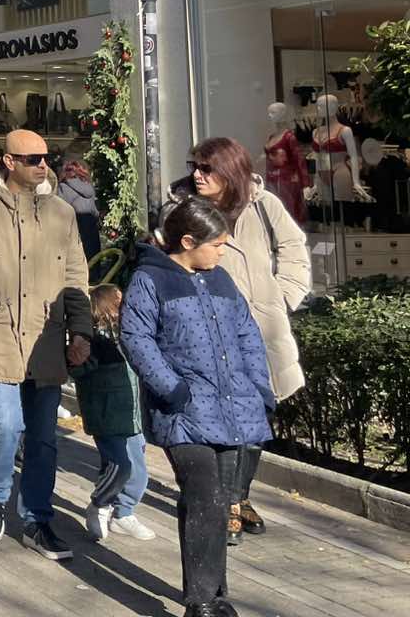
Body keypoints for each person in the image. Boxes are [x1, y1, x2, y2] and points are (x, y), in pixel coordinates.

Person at [121, 197, 274, 617]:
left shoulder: (221, 279)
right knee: (203, 495)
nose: (223, 252)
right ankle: (201, 601)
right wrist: (172, 388)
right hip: (183, 413)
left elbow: (247, 336)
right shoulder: (150, 280)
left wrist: (259, 388)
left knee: (217, 501)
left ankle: (214, 593)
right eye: (217, 245)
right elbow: (136, 338)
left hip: (231, 409)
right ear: (188, 242)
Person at [0, 128, 93, 561]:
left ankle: (37, 519)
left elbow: (76, 275)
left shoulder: (61, 212)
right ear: (9, 162)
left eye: (47, 157)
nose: (42, 165)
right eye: (32, 159)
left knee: (44, 437)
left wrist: (80, 330)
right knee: (5, 423)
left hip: (47, 337)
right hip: (0, 334)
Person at [179, 136, 309, 542]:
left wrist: (282, 295)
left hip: (260, 329)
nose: (197, 176)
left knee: (256, 417)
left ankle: (239, 496)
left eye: (206, 168)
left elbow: (294, 248)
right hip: (209, 333)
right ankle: (227, 505)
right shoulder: (186, 210)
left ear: (229, 170)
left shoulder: (263, 204)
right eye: (194, 167)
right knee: (221, 418)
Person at [71, 283, 155, 543]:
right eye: (117, 303)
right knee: (120, 466)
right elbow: (78, 370)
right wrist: (80, 357)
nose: (124, 306)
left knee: (137, 472)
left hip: (132, 416)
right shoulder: (95, 340)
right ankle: (100, 503)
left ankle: (123, 513)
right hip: (106, 416)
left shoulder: (132, 335)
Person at [59, 159, 104, 267]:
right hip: (91, 225)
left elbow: (60, 208)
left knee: (77, 260)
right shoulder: (88, 185)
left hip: (75, 225)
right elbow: (93, 209)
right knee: (93, 258)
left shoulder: (63, 187)